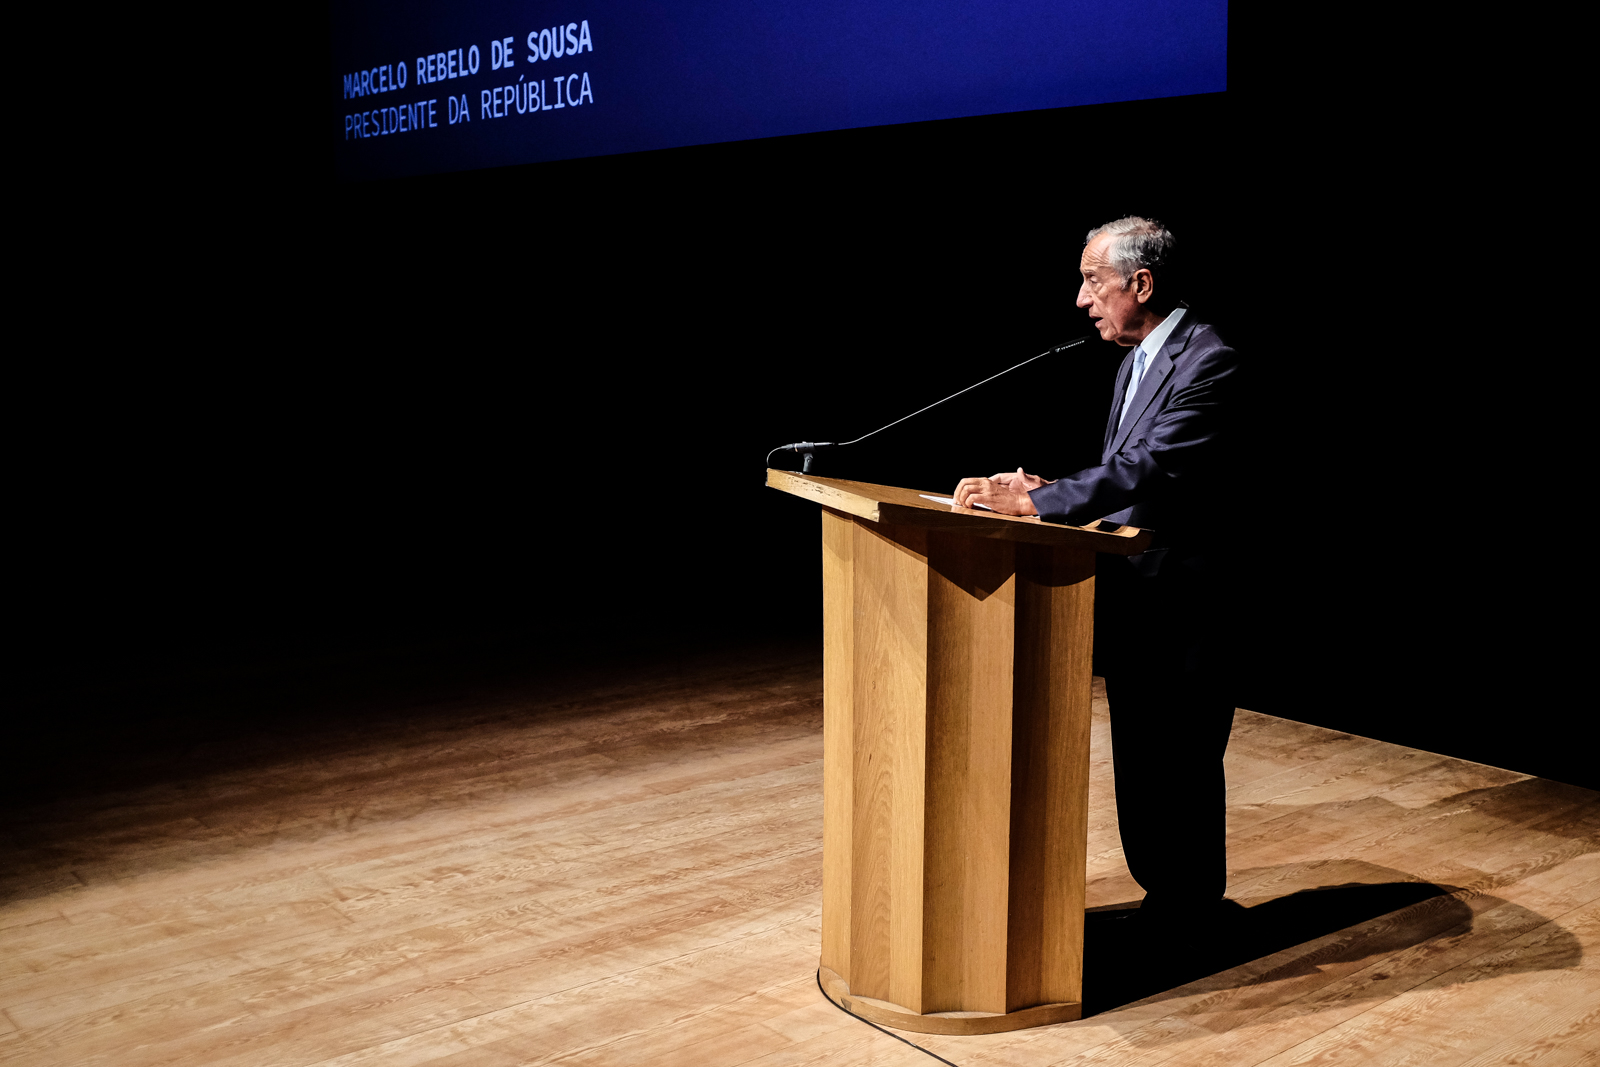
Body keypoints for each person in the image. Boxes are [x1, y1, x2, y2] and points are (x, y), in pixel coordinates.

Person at [954, 216, 1243, 935]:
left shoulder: (1211, 360)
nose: (1083, 300)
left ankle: (1193, 910)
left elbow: (1154, 466)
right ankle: (1166, 899)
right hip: (1138, 599)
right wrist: (1052, 491)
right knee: (1143, 759)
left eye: (1093, 281)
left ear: (1140, 283)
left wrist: (1037, 501)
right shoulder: (1132, 361)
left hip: (1188, 605)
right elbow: (1134, 481)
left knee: (1180, 761)